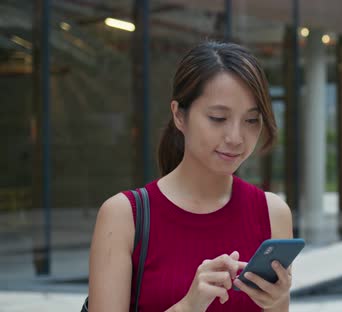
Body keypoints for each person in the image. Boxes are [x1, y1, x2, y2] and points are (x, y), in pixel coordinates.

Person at [88, 41, 293, 312]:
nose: (235, 138)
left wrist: (276, 301)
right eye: (218, 118)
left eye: (251, 120)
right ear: (179, 115)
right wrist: (187, 307)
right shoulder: (124, 216)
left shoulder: (272, 213)